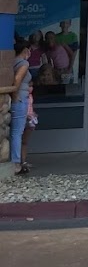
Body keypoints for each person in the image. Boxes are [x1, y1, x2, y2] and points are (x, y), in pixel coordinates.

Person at [2, 37, 33, 175]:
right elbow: (17, 80)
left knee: (14, 132)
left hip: (15, 99)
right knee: (17, 132)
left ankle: (15, 161)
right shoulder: (24, 63)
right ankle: (16, 162)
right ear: (26, 50)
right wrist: (16, 97)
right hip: (20, 99)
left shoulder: (11, 62)